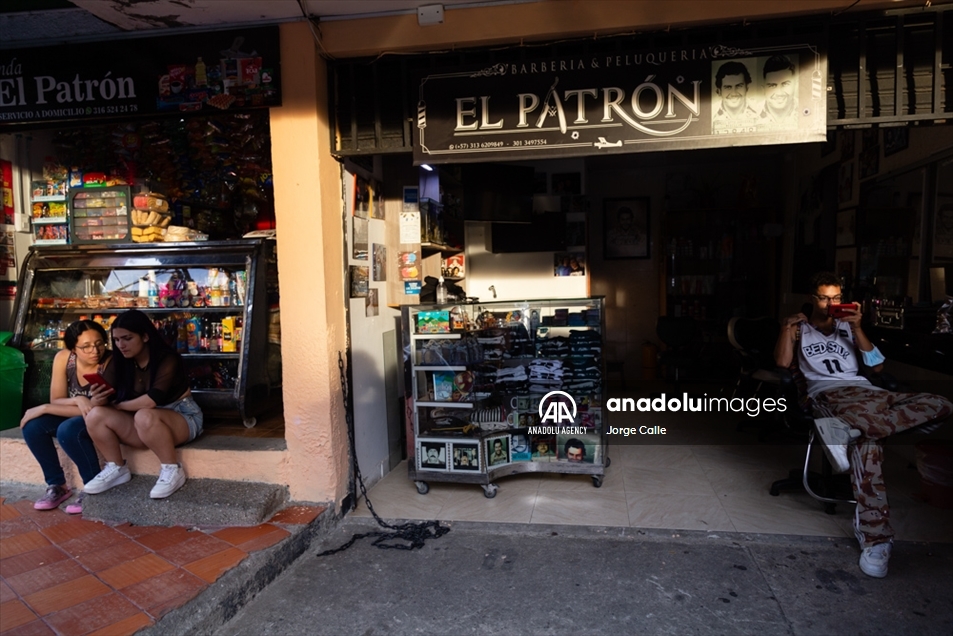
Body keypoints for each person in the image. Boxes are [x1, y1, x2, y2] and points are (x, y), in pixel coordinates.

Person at [774, 272, 952, 578]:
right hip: (830, 395)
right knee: (869, 446)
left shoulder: (849, 327)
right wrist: (785, 329)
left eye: (836, 297)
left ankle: (847, 432)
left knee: (942, 404)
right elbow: (781, 363)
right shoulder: (800, 329)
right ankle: (876, 538)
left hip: (871, 395)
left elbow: (877, 366)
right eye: (823, 297)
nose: (830, 303)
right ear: (812, 297)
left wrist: (857, 328)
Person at [84, 309, 203, 499]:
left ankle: (172, 469)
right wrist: (97, 399)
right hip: (143, 424)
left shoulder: (167, 358)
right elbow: (104, 399)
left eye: (127, 338)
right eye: (116, 340)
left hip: (181, 416)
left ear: (145, 336)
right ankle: (117, 468)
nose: (121, 345)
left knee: (144, 414)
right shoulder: (119, 361)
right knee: (96, 414)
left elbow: (151, 401)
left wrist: (118, 406)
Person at [19, 320, 114, 514]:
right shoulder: (64, 358)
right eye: (85, 347)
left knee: (69, 429)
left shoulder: (111, 362)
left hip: (103, 417)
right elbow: (57, 399)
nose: (94, 351)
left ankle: (93, 488)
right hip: (79, 413)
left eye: (99, 344)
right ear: (73, 349)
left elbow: (96, 409)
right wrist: (78, 399)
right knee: (33, 427)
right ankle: (57, 486)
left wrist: (45, 407)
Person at [711, 60, 758, 133]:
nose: (734, 93)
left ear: (747, 88)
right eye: (728, 87)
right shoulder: (709, 115)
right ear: (719, 91)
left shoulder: (759, 110)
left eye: (739, 86)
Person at [759, 54, 798, 129]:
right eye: (772, 86)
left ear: (795, 86)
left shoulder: (809, 109)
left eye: (785, 84)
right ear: (763, 90)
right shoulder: (752, 112)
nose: (779, 93)